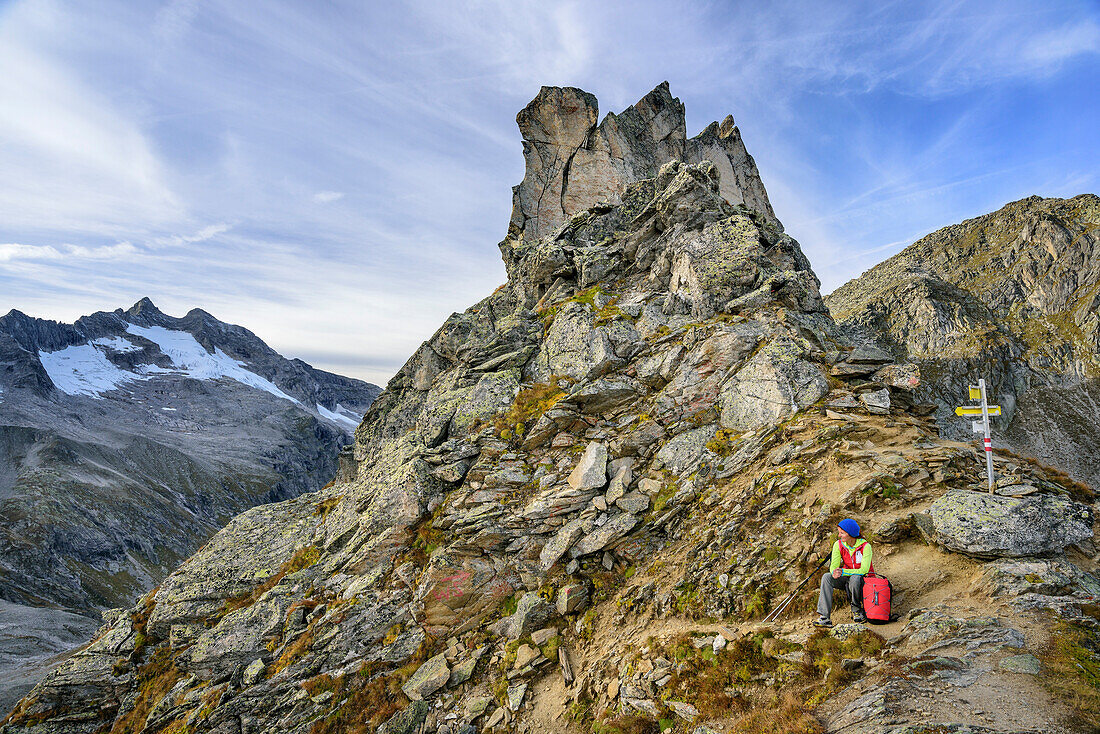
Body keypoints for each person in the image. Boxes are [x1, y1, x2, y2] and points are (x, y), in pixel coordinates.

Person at [814, 518, 873, 627]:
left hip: (864, 581)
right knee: (826, 577)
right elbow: (834, 565)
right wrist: (834, 572)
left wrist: (843, 571)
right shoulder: (838, 544)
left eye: (842, 533)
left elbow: (864, 570)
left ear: (850, 533)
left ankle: (857, 610)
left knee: (855, 578)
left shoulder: (866, 547)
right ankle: (824, 617)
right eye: (839, 532)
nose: (839, 535)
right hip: (847, 579)